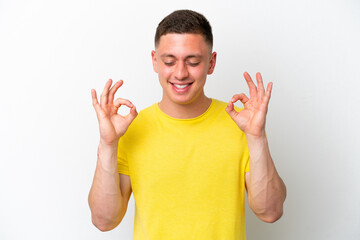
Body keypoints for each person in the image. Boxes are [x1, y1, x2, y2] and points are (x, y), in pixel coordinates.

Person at [88, 9, 286, 240]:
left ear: (211, 63)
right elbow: (104, 221)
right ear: (155, 61)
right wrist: (108, 143)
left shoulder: (242, 125)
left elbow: (270, 212)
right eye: (169, 61)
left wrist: (257, 137)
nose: (180, 73)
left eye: (193, 62)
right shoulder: (129, 128)